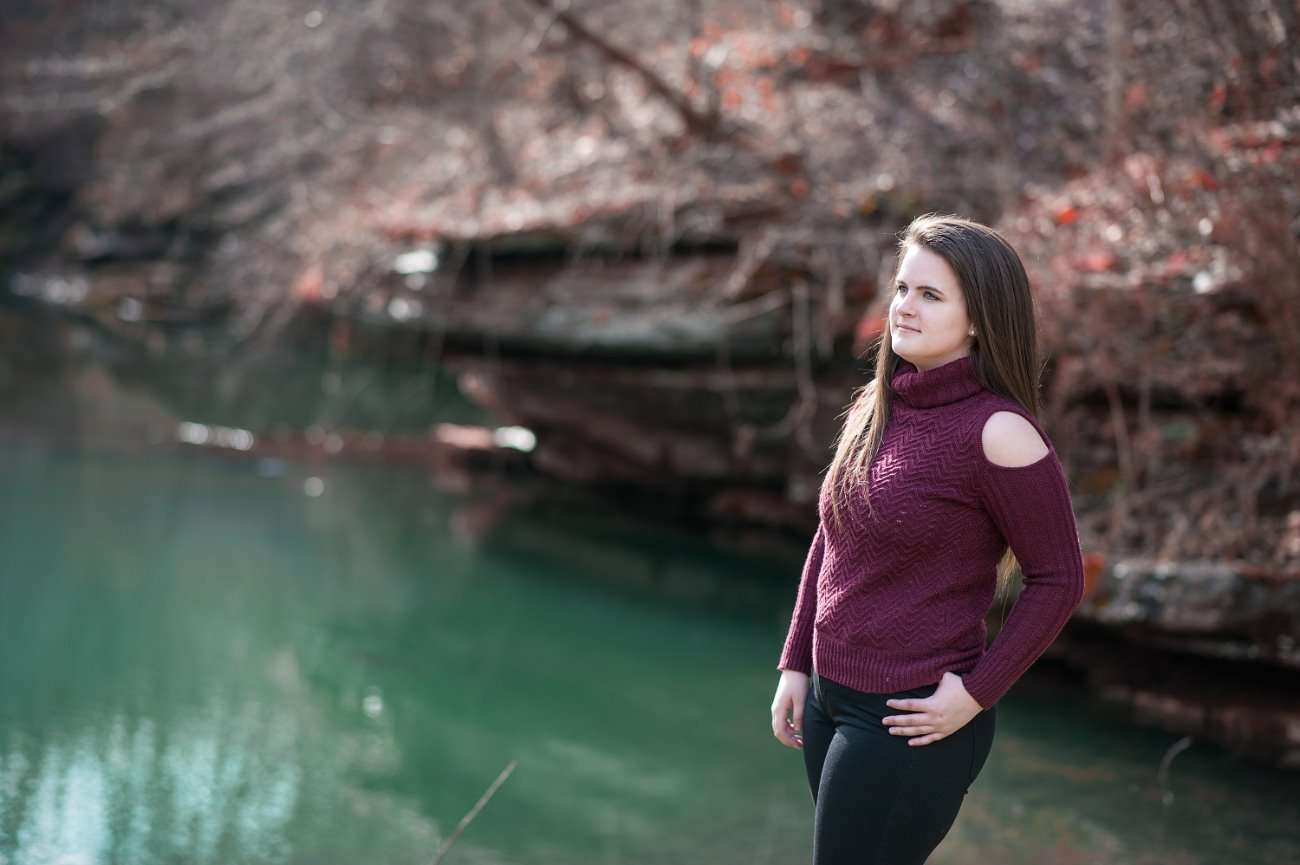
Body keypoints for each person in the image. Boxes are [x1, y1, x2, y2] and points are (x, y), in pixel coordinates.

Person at [769, 213, 1086, 865]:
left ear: (978, 319)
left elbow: (1059, 579)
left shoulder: (998, 433)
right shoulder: (879, 405)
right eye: (903, 289)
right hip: (832, 699)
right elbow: (834, 535)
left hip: (910, 717)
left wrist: (974, 693)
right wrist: (797, 661)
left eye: (931, 295)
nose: (905, 307)